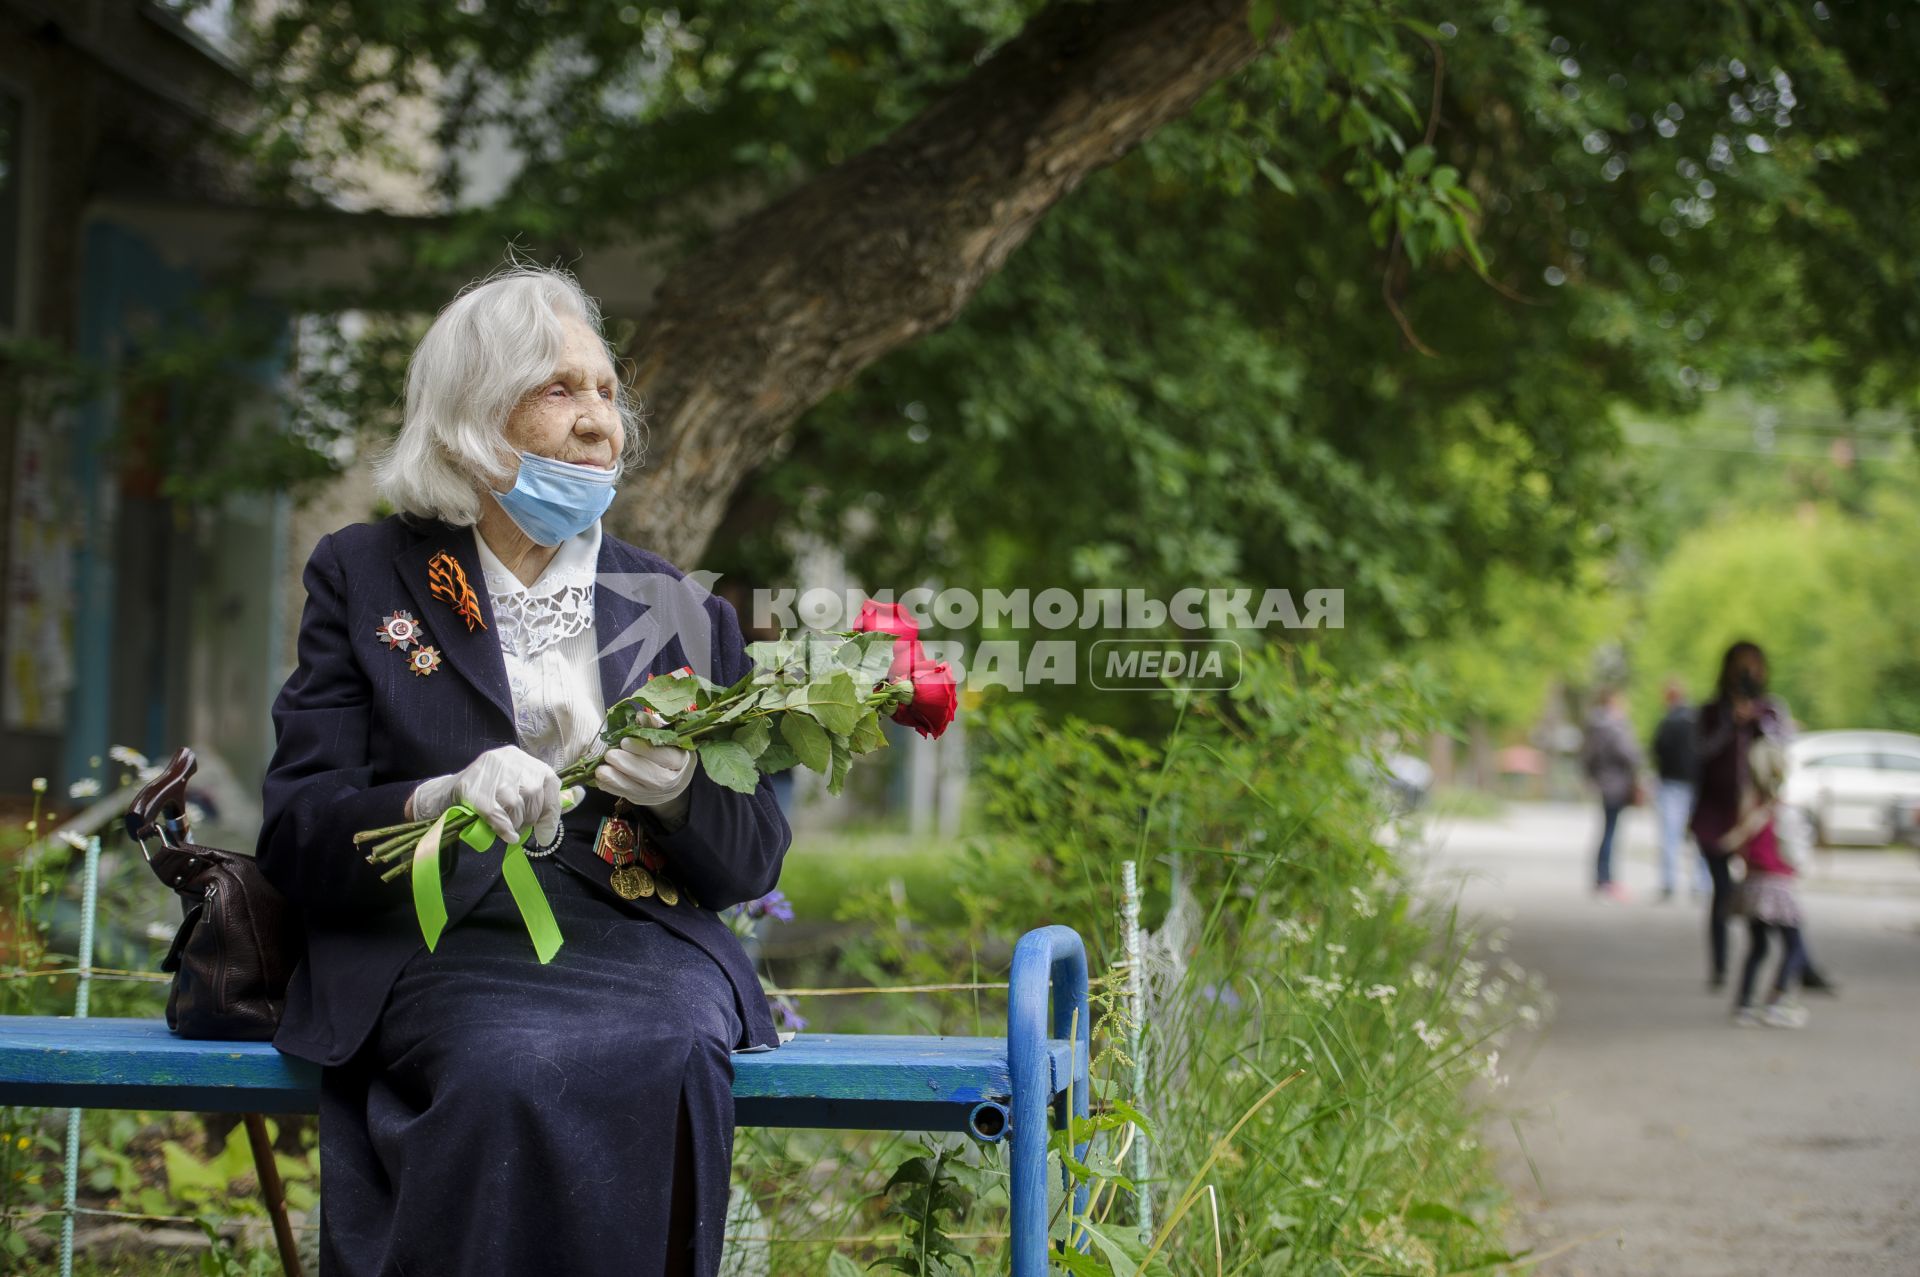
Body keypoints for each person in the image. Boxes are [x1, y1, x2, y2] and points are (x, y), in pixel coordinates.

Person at [257, 264, 792, 1276]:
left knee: (673, 1050)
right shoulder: (366, 573)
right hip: (440, 936)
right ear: (471, 417)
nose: (600, 421)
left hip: (639, 936)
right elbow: (299, 831)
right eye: (560, 389)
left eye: (605, 390)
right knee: (505, 1065)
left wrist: (681, 789)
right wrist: (438, 795)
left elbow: (754, 857)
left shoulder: (681, 607)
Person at [1689, 640, 1834, 996]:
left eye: (1753, 667)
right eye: (1741, 668)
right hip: (1716, 816)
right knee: (1723, 893)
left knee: (1773, 893)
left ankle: (1799, 964)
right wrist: (1729, 722)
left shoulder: (1770, 711)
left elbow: (1782, 750)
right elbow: (1700, 754)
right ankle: (1722, 966)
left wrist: (1756, 721)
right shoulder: (1711, 712)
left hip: (1759, 818)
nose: (1747, 675)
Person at [1725, 736, 1812, 1027]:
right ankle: (1778, 1000)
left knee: (1758, 947)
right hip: (1777, 885)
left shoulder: (1749, 807)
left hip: (1753, 884)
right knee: (1794, 946)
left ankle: (1745, 1003)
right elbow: (1794, 851)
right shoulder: (1780, 811)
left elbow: (1739, 847)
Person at [1580, 688, 1642, 899]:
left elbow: (1588, 756)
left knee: (1606, 830)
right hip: (1617, 784)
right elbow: (1629, 754)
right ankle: (1606, 878)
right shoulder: (1614, 727)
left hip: (1603, 783)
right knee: (1611, 832)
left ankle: (1602, 876)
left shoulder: (1594, 726)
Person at [1649, 679, 1705, 901]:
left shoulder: (1668, 722)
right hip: (1696, 783)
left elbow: (1657, 750)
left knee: (1670, 835)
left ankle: (1669, 882)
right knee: (1699, 836)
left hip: (1672, 783)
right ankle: (1700, 883)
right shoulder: (1698, 720)